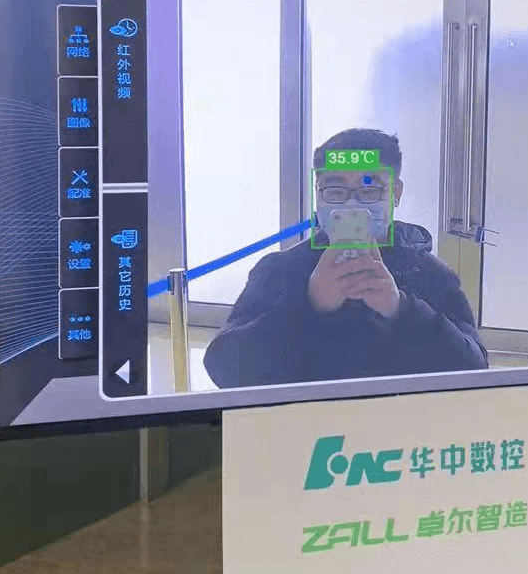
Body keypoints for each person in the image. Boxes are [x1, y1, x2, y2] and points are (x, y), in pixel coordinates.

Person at [203, 128, 488, 388]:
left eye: (369, 189)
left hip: (399, 427)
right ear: (318, 195)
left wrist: (401, 309)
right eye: (336, 190)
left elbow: (473, 371)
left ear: (396, 193)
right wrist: (310, 303)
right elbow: (224, 369)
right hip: (306, 426)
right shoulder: (281, 270)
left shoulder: (428, 273)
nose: (352, 204)